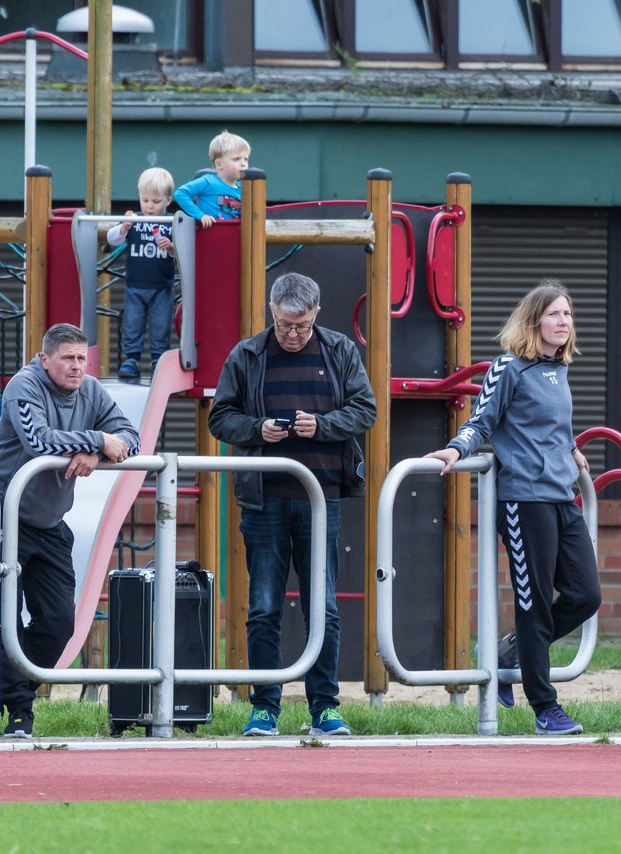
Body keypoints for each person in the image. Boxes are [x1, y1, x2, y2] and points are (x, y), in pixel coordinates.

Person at [425, 280, 602, 736]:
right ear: (534, 320)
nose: (564, 322)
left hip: (563, 498)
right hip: (524, 501)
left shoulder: (558, 369)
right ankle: (545, 708)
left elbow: (549, 424)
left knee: (587, 596)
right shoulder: (510, 368)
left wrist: (571, 446)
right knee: (534, 604)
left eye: (568, 314)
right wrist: (456, 449)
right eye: (554, 314)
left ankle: (509, 653)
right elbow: (483, 420)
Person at [209, 272, 376, 737]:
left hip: (322, 497)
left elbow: (366, 409)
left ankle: (325, 706)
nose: (293, 334)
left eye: (301, 326)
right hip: (263, 500)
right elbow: (220, 417)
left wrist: (320, 426)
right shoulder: (247, 354)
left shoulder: (341, 350)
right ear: (271, 312)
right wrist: (257, 430)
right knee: (263, 605)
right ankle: (265, 706)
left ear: (317, 313)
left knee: (322, 605)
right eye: (284, 325)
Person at [0, 323, 139, 738]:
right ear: (45, 360)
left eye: (82, 359)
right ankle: (20, 714)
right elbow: (39, 441)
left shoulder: (92, 391)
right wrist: (97, 439)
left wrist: (97, 450)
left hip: (49, 520)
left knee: (60, 622)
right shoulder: (24, 386)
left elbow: (130, 437)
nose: (77, 367)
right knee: (2, 618)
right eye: (67, 359)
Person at [107, 167, 177, 382]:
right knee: (132, 324)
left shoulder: (172, 222)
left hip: (162, 286)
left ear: (168, 200)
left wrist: (172, 248)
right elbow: (112, 239)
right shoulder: (134, 220)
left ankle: (158, 360)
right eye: (145, 200)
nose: (149, 206)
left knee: (160, 326)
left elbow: (184, 252)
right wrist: (123, 228)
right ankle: (132, 359)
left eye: (156, 201)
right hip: (135, 286)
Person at [174, 130, 250, 228]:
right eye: (236, 159)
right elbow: (180, 193)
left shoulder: (244, 189)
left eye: (246, 159)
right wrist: (200, 215)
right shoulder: (208, 181)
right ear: (219, 164)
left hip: (234, 238)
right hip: (210, 237)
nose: (243, 163)